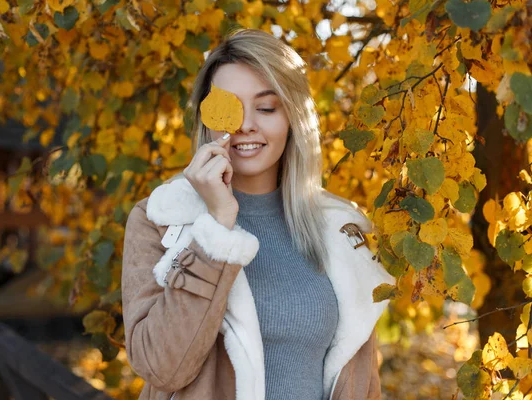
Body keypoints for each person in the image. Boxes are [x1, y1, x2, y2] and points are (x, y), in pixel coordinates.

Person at [121, 28, 395, 400]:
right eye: (228, 109)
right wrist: (216, 229)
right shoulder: (163, 220)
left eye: (266, 108)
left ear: (292, 118)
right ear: (206, 118)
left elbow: (364, 382)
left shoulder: (337, 226)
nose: (246, 125)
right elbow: (160, 366)